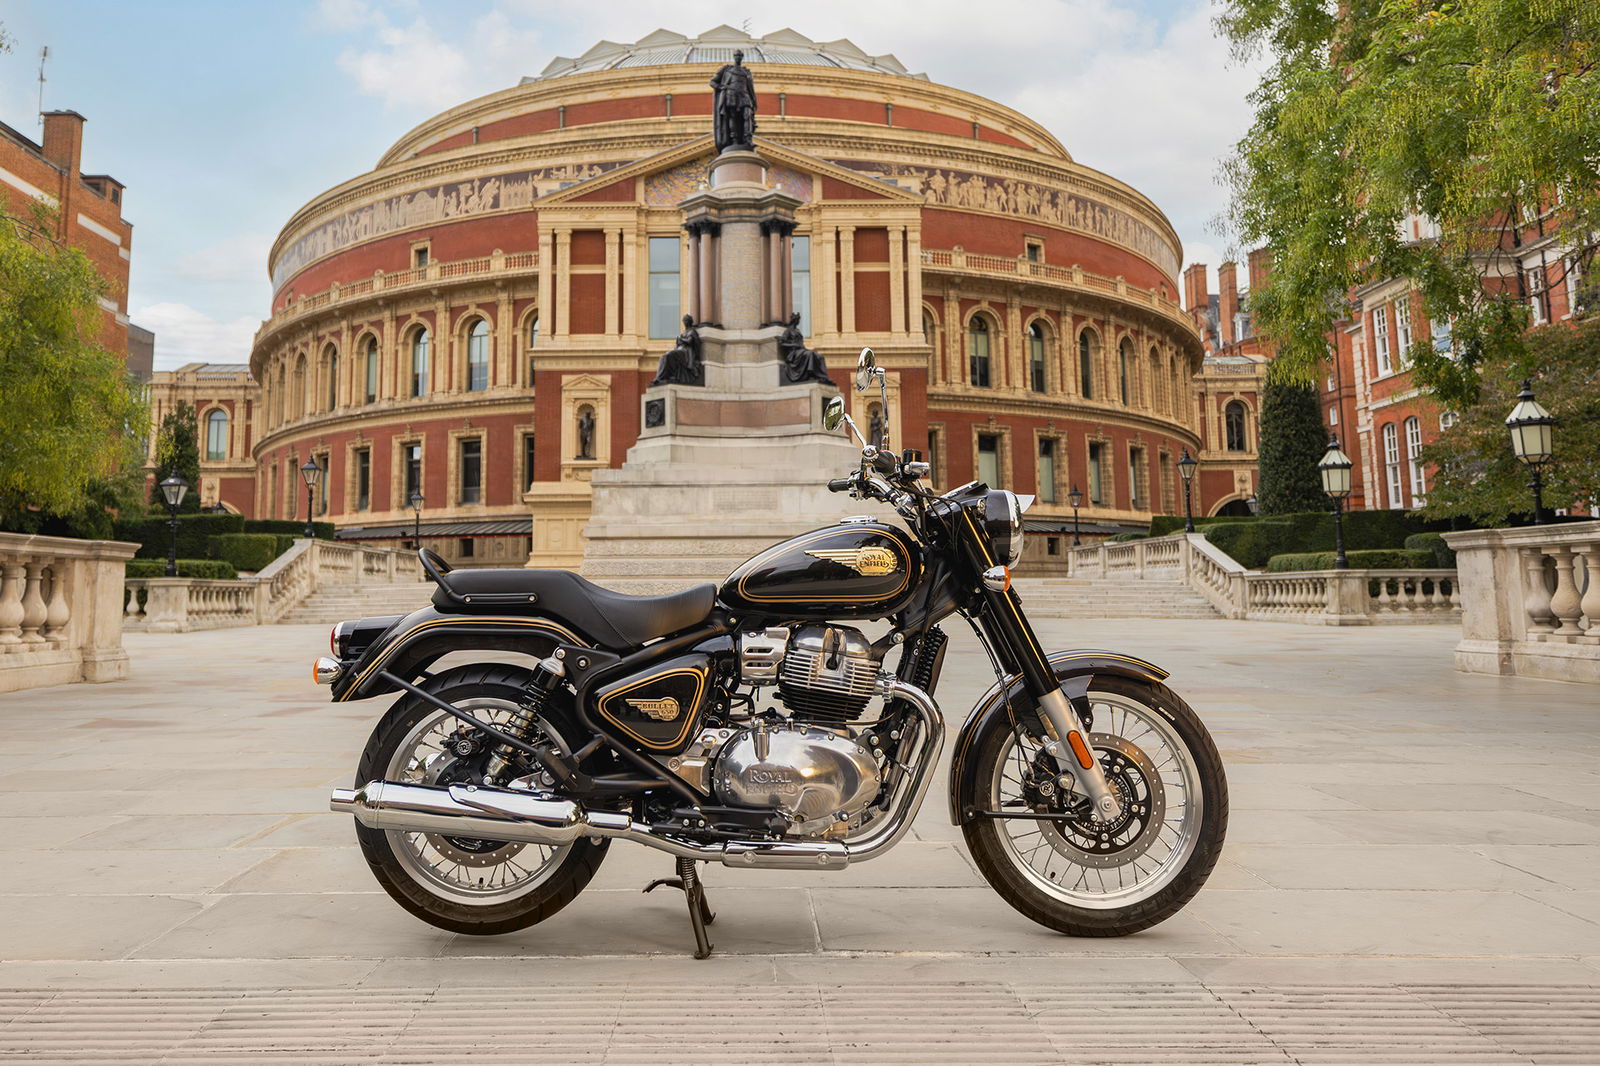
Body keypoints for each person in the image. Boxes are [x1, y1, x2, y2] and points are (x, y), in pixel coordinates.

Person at [710, 51, 756, 153]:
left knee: (747, 115)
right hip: (731, 95)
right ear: (734, 57)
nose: (738, 57)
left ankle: (748, 139)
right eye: (736, 55)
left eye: (740, 56)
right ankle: (734, 139)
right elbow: (712, 82)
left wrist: (753, 101)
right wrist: (722, 87)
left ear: (742, 57)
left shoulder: (746, 72)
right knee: (732, 117)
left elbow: (750, 88)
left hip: (744, 95)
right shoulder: (726, 70)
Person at [779, 312, 830, 385]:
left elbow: (801, 343)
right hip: (794, 353)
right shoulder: (788, 331)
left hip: (801, 350)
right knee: (810, 354)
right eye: (797, 320)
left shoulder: (798, 331)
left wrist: (803, 347)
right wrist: (794, 345)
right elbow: (782, 343)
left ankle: (823, 376)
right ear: (794, 320)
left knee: (820, 357)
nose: (798, 322)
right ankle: (811, 373)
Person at [651, 314, 703, 386]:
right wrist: (679, 339)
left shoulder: (692, 331)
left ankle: (661, 378)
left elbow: (689, 342)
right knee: (663, 356)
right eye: (684, 321)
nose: (685, 322)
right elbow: (678, 344)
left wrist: (680, 338)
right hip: (680, 349)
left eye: (686, 320)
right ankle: (660, 378)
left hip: (686, 352)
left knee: (669, 355)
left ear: (689, 322)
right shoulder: (684, 332)